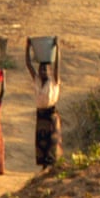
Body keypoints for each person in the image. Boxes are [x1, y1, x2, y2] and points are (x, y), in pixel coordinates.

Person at [26, 39, 62, 169]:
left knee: (52, 141)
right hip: (41, 115)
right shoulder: (37, 80)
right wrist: (28, 47)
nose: (43, 72)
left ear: (50, 71)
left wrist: (57, 48)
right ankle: (44, 166)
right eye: (41, 70)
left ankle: (53, 165)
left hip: (51, 114)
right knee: (41, 142)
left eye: (45, 70)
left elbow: (57, 64)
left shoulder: (54, 80)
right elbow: (28, 64)